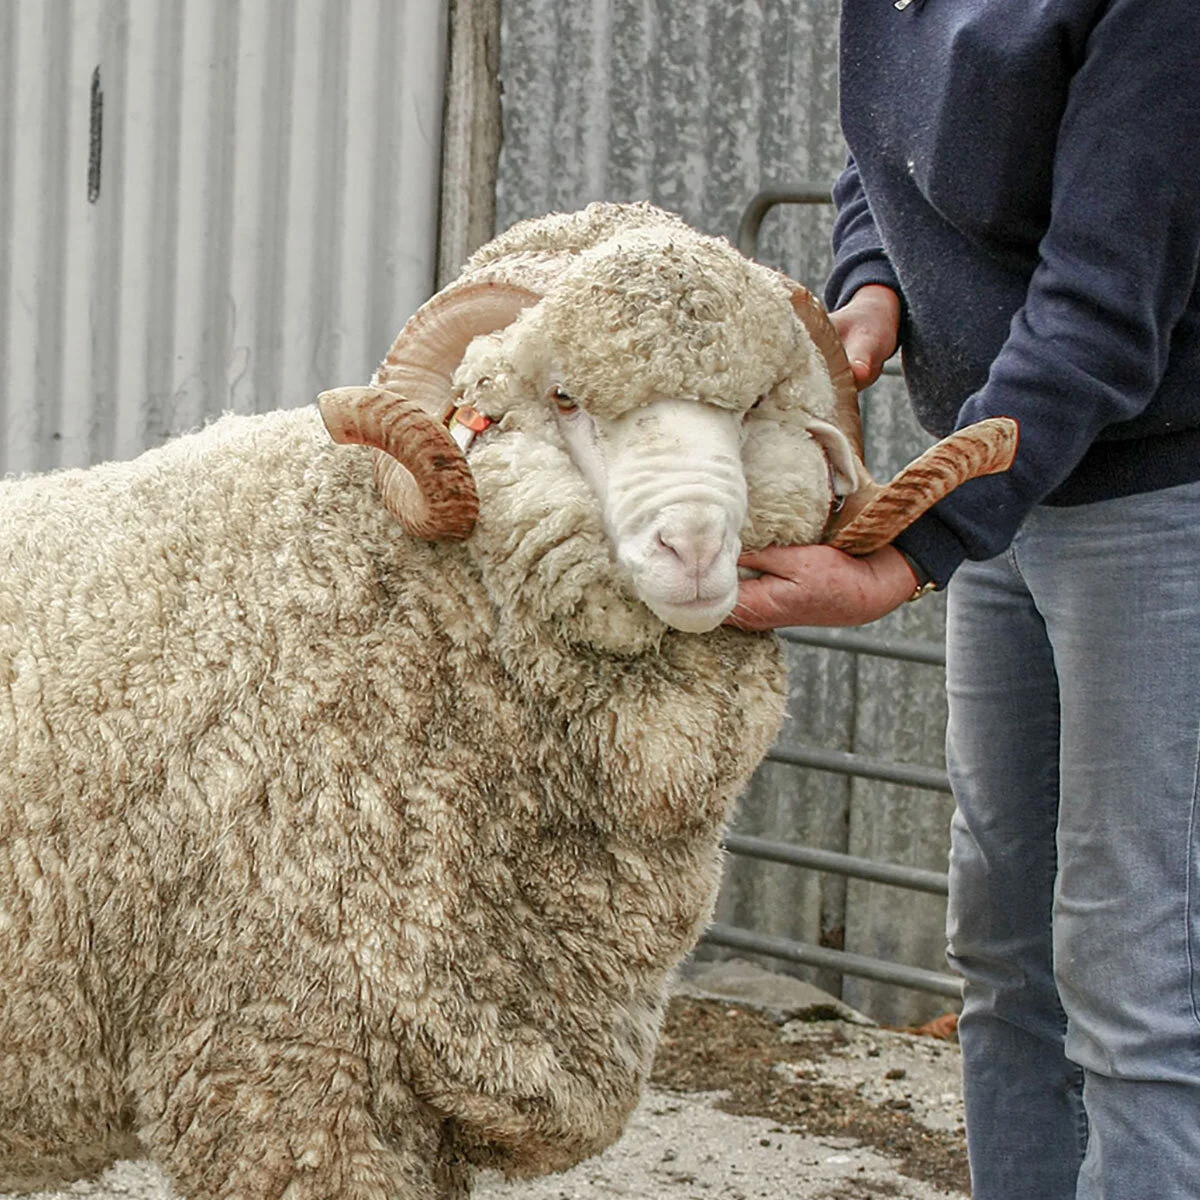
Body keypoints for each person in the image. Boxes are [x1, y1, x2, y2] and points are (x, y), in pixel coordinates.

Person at [728, 3, 1200, 1197]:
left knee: (1134, 964)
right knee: (1004, 944)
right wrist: (872, 286)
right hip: (1005, 487)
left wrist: (908, 554)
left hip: (1157, 497)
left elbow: (1103, 302)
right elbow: (879, 162)